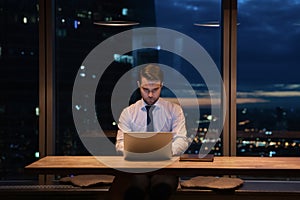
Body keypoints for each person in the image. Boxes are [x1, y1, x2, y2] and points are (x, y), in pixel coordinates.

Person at [110, 64, 188, 200]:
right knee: (134, 190)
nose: (150, 95)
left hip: (166, 168)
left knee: (161, 189)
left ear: (162, 85)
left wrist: (154, 153)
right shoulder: (128, 113)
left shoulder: (174, 110)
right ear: (138, 84)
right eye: (145, 89)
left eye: (155, 89)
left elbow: (181, 141)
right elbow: (120, 144)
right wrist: (149, 153)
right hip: (136, 168)